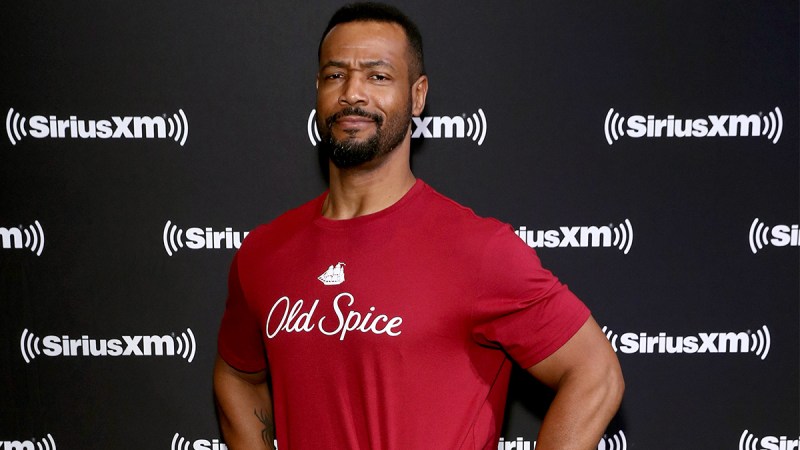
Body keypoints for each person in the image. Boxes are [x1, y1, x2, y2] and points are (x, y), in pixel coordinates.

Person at [213, 2, 624, 449]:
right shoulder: (264, 253)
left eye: (378, 76)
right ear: (317, 89)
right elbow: (237, 376)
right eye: (335, 75)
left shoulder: (478, 251)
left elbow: (594, 373)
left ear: (418, 95)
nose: (353, 93)